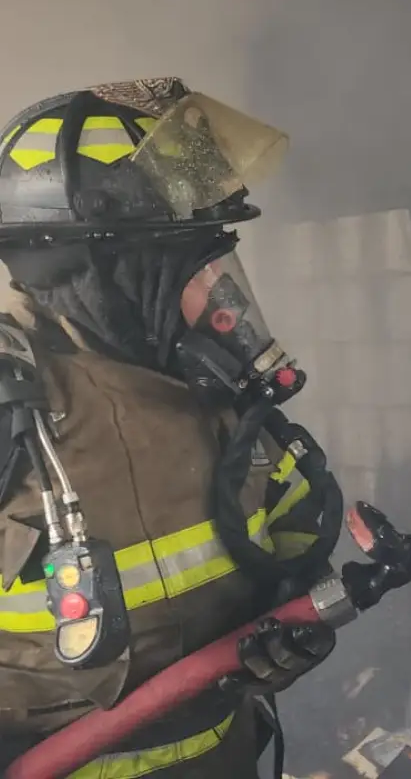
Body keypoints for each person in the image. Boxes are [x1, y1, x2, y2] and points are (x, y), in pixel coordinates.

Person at [0, 78, 342, 778]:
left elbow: (298, 552)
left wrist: (293, 624)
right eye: (193, 269)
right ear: (109, 274)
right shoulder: (13, 420)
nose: (221, 302)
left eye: (222, 265)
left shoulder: (228, 410)